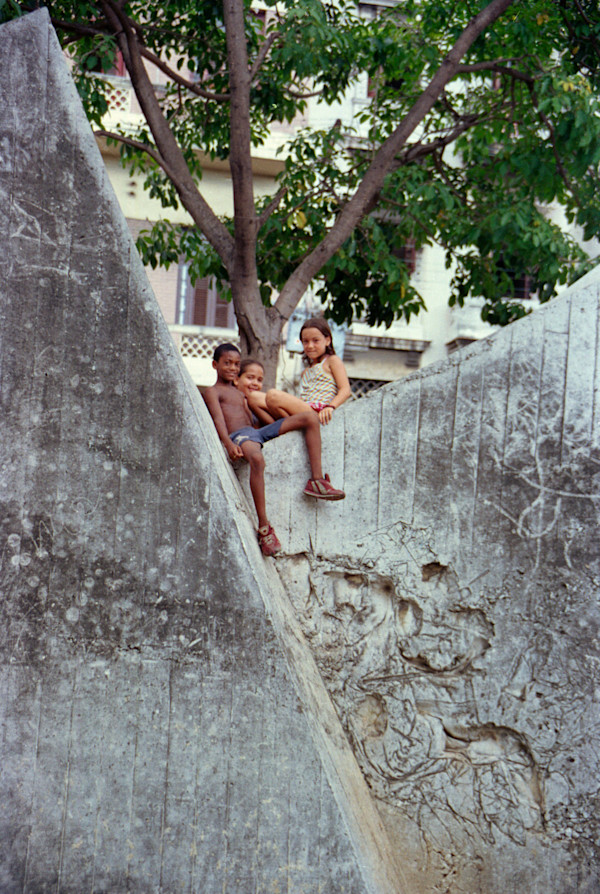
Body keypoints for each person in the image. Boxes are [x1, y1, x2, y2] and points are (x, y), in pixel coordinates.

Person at [203, 344, 345, 557]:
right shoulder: (212, 391)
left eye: (236, 364)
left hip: (256, 432)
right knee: (257, 460)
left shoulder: (241, 392)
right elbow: (217, 420)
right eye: (227, 363)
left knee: (309, 418)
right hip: (240, 437)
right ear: (215, 365)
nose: (232, 368)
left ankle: (316, 481)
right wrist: (228, 444)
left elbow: (256, 415)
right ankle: (264, 528)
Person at [261, 317, 352, 426]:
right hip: (304, 409)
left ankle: (294, 425)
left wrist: (330, 407)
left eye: (315, 340)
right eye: (305, 341)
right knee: (254, 398)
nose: (310, 346)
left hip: (318, 412)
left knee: (272, 395)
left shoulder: (332, 360)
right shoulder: (306, 371)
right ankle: (292, 425)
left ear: (327, 340)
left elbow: (346, 390)